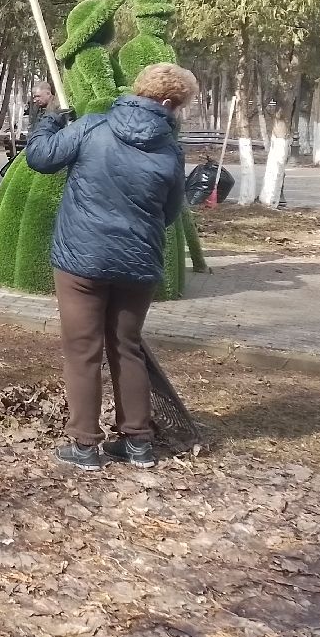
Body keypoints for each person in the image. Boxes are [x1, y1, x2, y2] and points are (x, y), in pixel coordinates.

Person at [24, 62, 197, 473]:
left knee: (83, 351)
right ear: (169, 103)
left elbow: (40, 157)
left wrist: (50, 122)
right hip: (137, 262)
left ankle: (85, 446)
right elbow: (171, 212)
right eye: (182, 107)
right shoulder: (170, 150)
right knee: (127, 347)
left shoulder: (91, 127)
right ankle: (137, 442)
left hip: (81, 260)